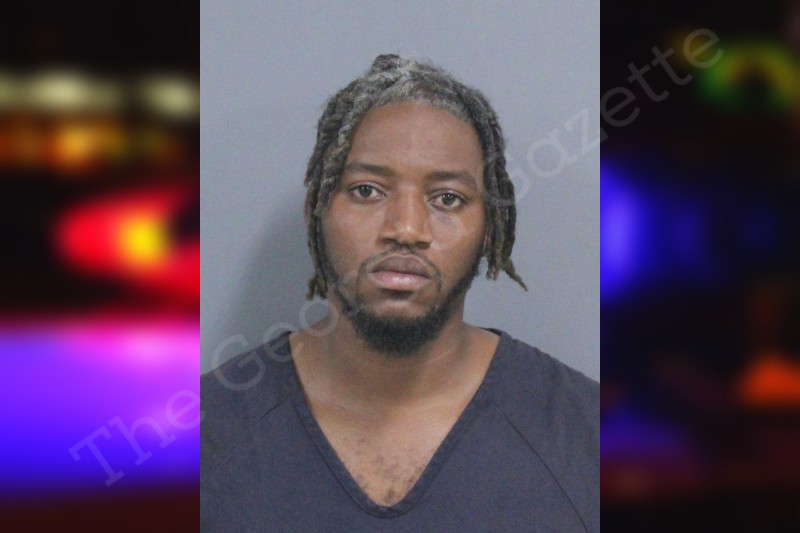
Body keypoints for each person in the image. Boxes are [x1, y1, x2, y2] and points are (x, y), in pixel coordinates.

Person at [201, 54, 598, 532]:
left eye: (447, 198)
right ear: (316, 210)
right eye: (367, 190)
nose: (407, 229)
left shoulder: (589, 437)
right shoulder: (202, 436)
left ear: (490, 227)